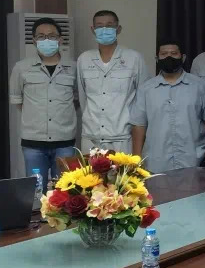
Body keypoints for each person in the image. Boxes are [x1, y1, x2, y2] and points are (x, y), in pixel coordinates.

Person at [9, 17, 77, 187]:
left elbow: (77, 100)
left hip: (65, 142)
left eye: (52, 36)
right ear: (34, 41)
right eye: (41, 36)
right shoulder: (21, 68)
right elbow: (18, 100)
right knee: (36, 191)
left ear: (60, 39)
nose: (47, 40)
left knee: (64, 191)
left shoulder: (74, 68)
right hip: (33, 143)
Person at [129, 40, 205, 173]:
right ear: (157, 59)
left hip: (193, 160)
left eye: (174, 53)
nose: (168, 57)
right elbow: (139, 125)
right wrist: (136, 159)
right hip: (156, 162)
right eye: (164, 54)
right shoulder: (146, 89)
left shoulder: (199, 86)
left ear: (183, 57)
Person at [76, 10, 146, 153]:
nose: (104, 29)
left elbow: (142, 99)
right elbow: (83, 98)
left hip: (122, 137)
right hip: (91, 137)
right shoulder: (84, 59)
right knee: (89, 169)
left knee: (122, 169)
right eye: (99, 26)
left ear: (118, 29)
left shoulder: (134, 58)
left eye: (109, 25)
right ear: (93, 30)